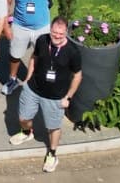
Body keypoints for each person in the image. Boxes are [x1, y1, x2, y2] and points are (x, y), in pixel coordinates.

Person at [2, 0, 88, 95]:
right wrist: (6, 28)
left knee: (42, 56)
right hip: (20, 26)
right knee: (15, 55)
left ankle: (34, 80)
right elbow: (6, 6)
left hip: (42, 28)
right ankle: (12, 79)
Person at [9, 17, 83, 174]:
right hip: (33, 88)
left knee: (53, 127)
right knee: (23, 118)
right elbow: (34, 58)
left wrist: (68, 97)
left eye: (60, 34)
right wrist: (28, 78)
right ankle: (27, 132)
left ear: (66, 33)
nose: (56, 36)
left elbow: (77, 76)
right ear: (50, 30)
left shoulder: (72, 52)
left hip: (55, 97)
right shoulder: (42, 40)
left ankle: (52, 153)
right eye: (54, 32)